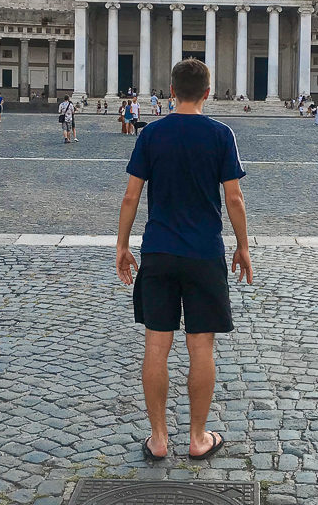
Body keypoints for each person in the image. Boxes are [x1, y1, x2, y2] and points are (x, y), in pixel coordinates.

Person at [115, 58, 252, 463]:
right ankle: (196, 437)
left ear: (171, 91)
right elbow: (234, 198)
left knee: (156, 345)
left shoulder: (152, 134)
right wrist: (242, 246)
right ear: (208, 92)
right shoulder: (220, 134)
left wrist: (122, 245)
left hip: (158, 250)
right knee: (201, 347)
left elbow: (130, 196)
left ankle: (158, 439)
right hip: (204, 253)